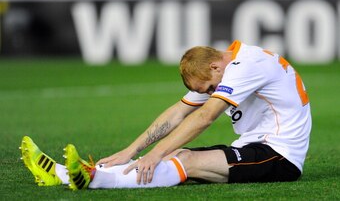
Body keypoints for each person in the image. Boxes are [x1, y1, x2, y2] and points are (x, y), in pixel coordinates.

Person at [20, 40, 312, 190]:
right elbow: (178, 113)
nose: (209, 92)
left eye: (209, 88)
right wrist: (131, 150)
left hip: (281, 157)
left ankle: (95, 180)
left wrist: (156, 153)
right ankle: (62, 173)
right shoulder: (224, 68)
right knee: (178, 155)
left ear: (214, 67)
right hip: (254, 146)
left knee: (183, 159)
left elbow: (205, 117)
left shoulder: (247, 65)